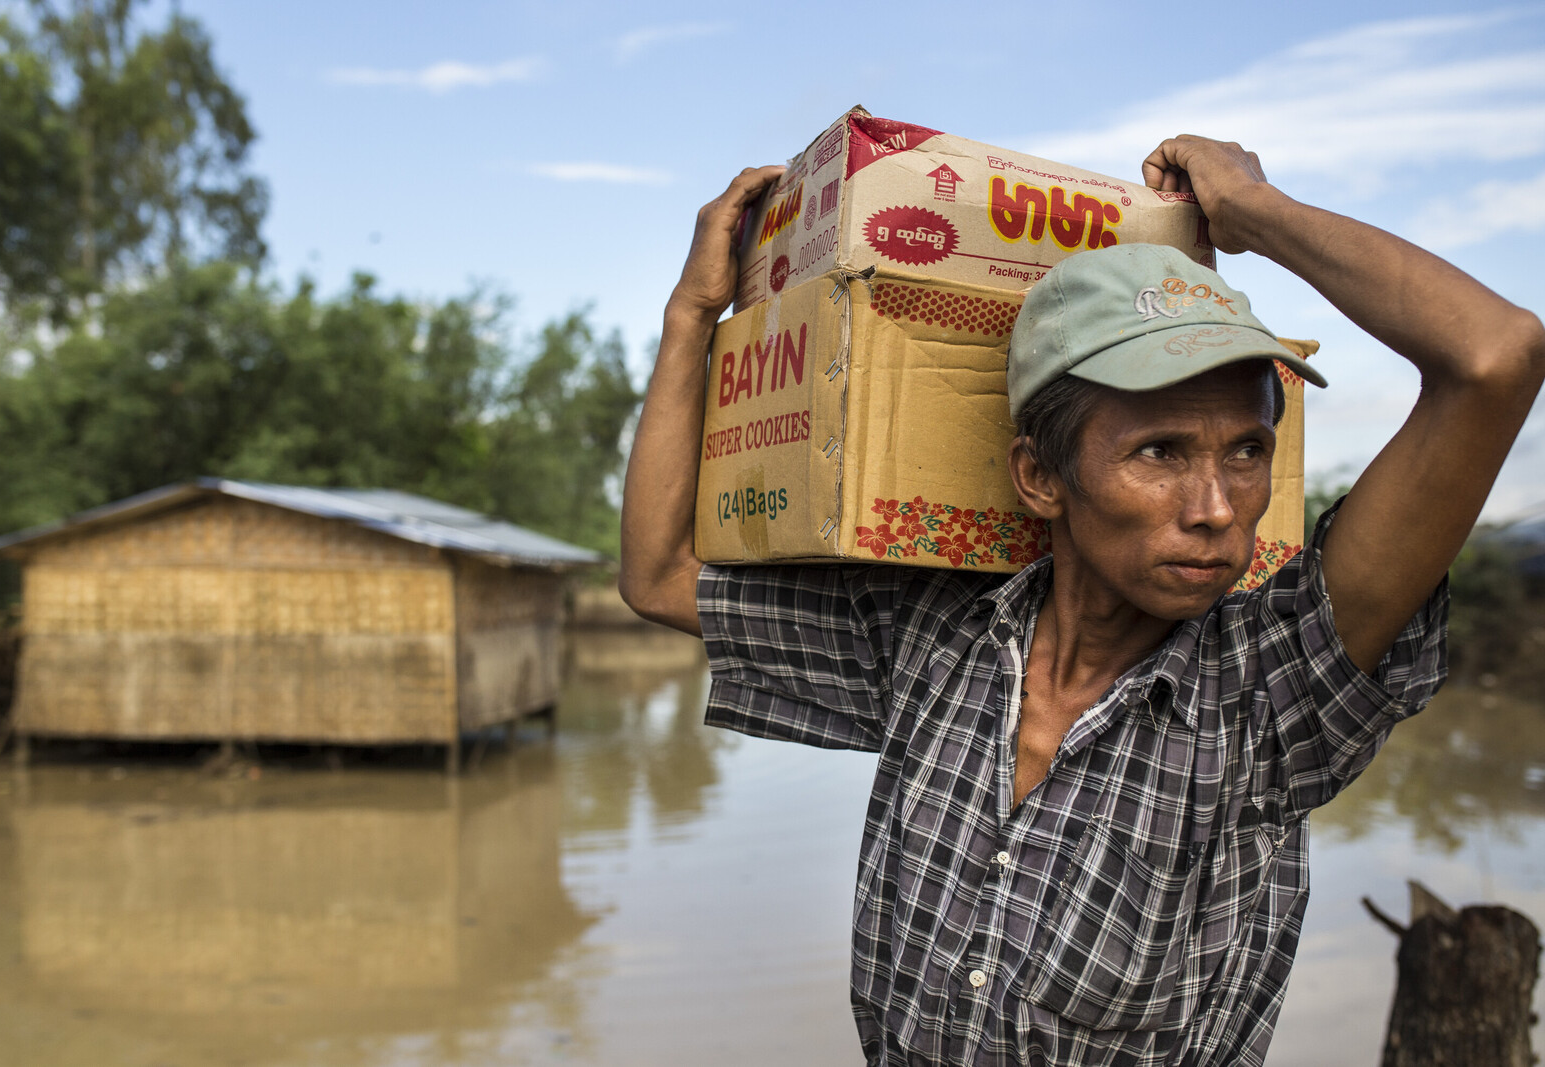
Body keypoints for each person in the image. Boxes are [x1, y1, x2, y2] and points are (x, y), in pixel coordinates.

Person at [618, 135, 1545, 1065]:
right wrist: (692, 317)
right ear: (1041, 476)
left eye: (1247, 451)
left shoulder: (1271, 690)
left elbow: (1495, 356)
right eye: (1161, 453)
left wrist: (1256, 211)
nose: (1218, 510)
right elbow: (659, 574)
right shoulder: (932, 642)